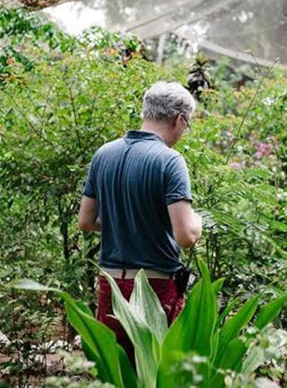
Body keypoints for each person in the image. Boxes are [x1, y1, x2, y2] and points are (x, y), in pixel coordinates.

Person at [78, 81, 203, 360]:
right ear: (179, 119)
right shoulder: (170, 161)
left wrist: (125, 224)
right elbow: (186, 236)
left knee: (116, 372)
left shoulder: (104, 154)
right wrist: (198, 223)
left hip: (110, 284)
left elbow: (86, 221)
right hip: (154, 289)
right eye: (187, 124)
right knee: (153, 372)